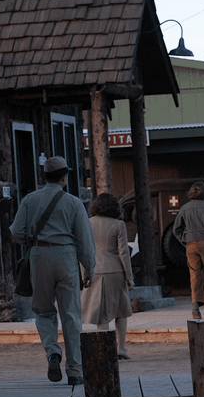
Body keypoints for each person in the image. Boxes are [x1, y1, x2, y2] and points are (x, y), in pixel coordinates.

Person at [10, 156, 95, 385]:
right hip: (66, 256)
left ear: (44, 176)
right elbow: (85, 240)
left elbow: (16, 233)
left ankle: (53, 353)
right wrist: (89, 268)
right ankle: (75, 372)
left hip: (39, 256)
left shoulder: (29, 200)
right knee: (71, 316)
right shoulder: (74, 202)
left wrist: (33, 237)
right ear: (65, 177)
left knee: (43, 311)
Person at [81, 193, 134, 360]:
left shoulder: (88, 224)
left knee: (101, 313)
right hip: (115, 270)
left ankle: (104, 349)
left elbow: (83, 250)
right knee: (121, 310)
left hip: (95, 270)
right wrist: (129, 277)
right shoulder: (119, 224)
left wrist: (84, 273)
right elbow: (124, 253)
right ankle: (122, 348)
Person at [173, 181, 204, 319]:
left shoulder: (184, 208)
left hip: (191, 243)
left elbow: (176, 229)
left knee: (195, 276)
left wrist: (185, 240)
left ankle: (195, 308)